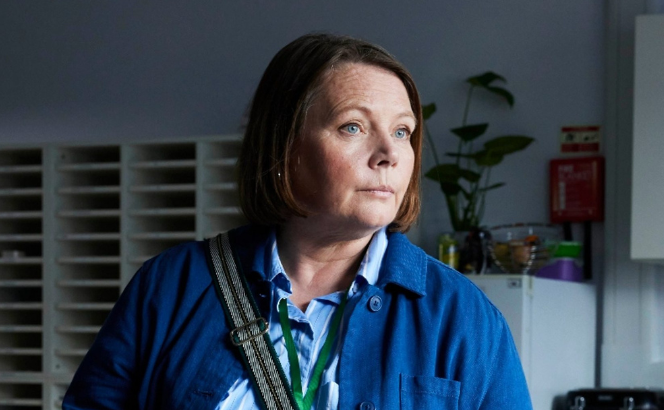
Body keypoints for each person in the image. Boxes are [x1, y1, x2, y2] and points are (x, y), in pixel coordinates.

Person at [63, 33, 531, 410]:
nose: (389, 155)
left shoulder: (464, 317)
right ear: (285, 145)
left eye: (402, 131)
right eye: (353, 126)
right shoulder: (172, 285)